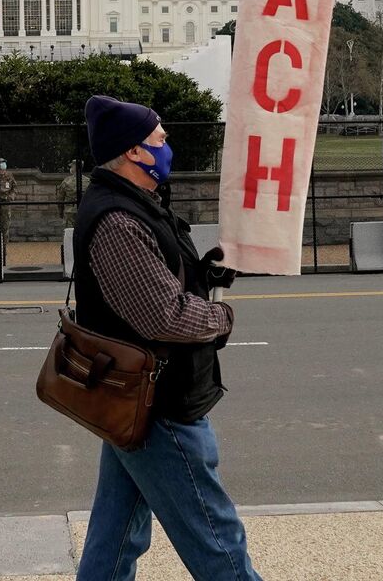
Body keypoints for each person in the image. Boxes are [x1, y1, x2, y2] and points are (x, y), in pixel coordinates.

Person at [72, 94, 256, 581]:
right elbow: (162, 318)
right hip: (159, 403)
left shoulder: (136, 205)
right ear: (134, 151)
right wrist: (222, 318)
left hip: (136, 398)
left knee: (116, 537)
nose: (167, 144)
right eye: (159, 138)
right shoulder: (117, 219)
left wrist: (203, 273)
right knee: (218, 542)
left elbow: (156, 286)